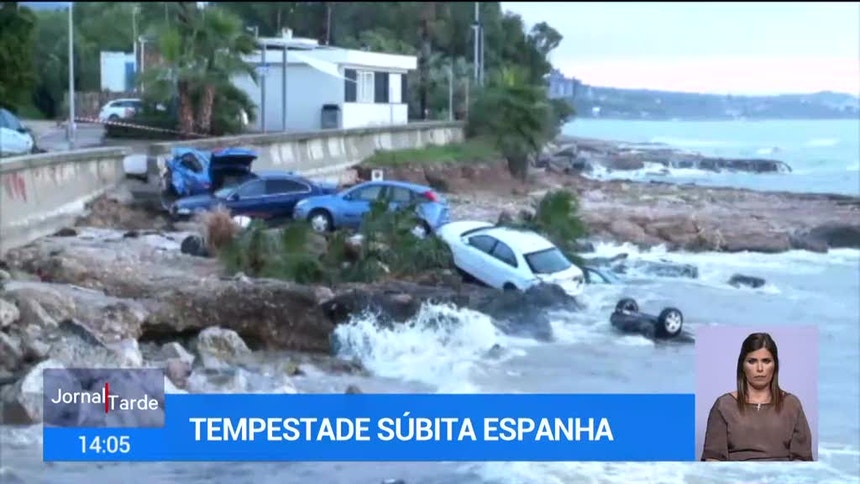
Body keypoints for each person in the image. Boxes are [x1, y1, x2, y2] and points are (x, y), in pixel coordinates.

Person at [701, 332, 814, 461]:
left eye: (766, 361)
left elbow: (802, 459)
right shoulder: (724, 406)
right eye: (752, 361)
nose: (760, 368)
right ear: (742, 366)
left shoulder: (792, 405)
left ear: (775, 365)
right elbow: (713, 458)